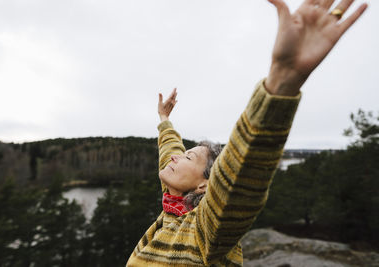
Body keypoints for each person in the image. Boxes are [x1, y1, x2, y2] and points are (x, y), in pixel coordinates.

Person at [126, 0, 368, 266]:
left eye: (189, 158)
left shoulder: (206, 229)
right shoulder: (173, 203)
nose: (176, 158)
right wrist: (164, 120)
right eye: (184, 155)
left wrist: (281, 82)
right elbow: (170, 153)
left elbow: (239, 178)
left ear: (205, 185)